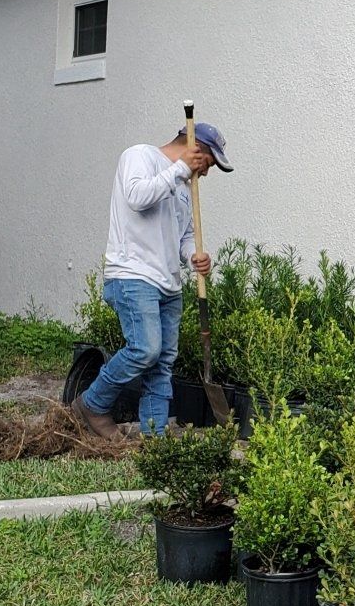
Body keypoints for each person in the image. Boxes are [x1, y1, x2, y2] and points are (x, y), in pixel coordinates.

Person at [71, 123, 233, 439]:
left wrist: (193, 257)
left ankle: (154, 438)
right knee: (145, 349)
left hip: (168, 284)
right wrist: (181, 169)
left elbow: (184, 235)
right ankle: (92, 404)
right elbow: (137, 196)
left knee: (162, 364)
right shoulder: (140, 156)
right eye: (208, 164)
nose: (206, 174)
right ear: (196, 149)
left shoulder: (185, 189)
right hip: (133, 275)